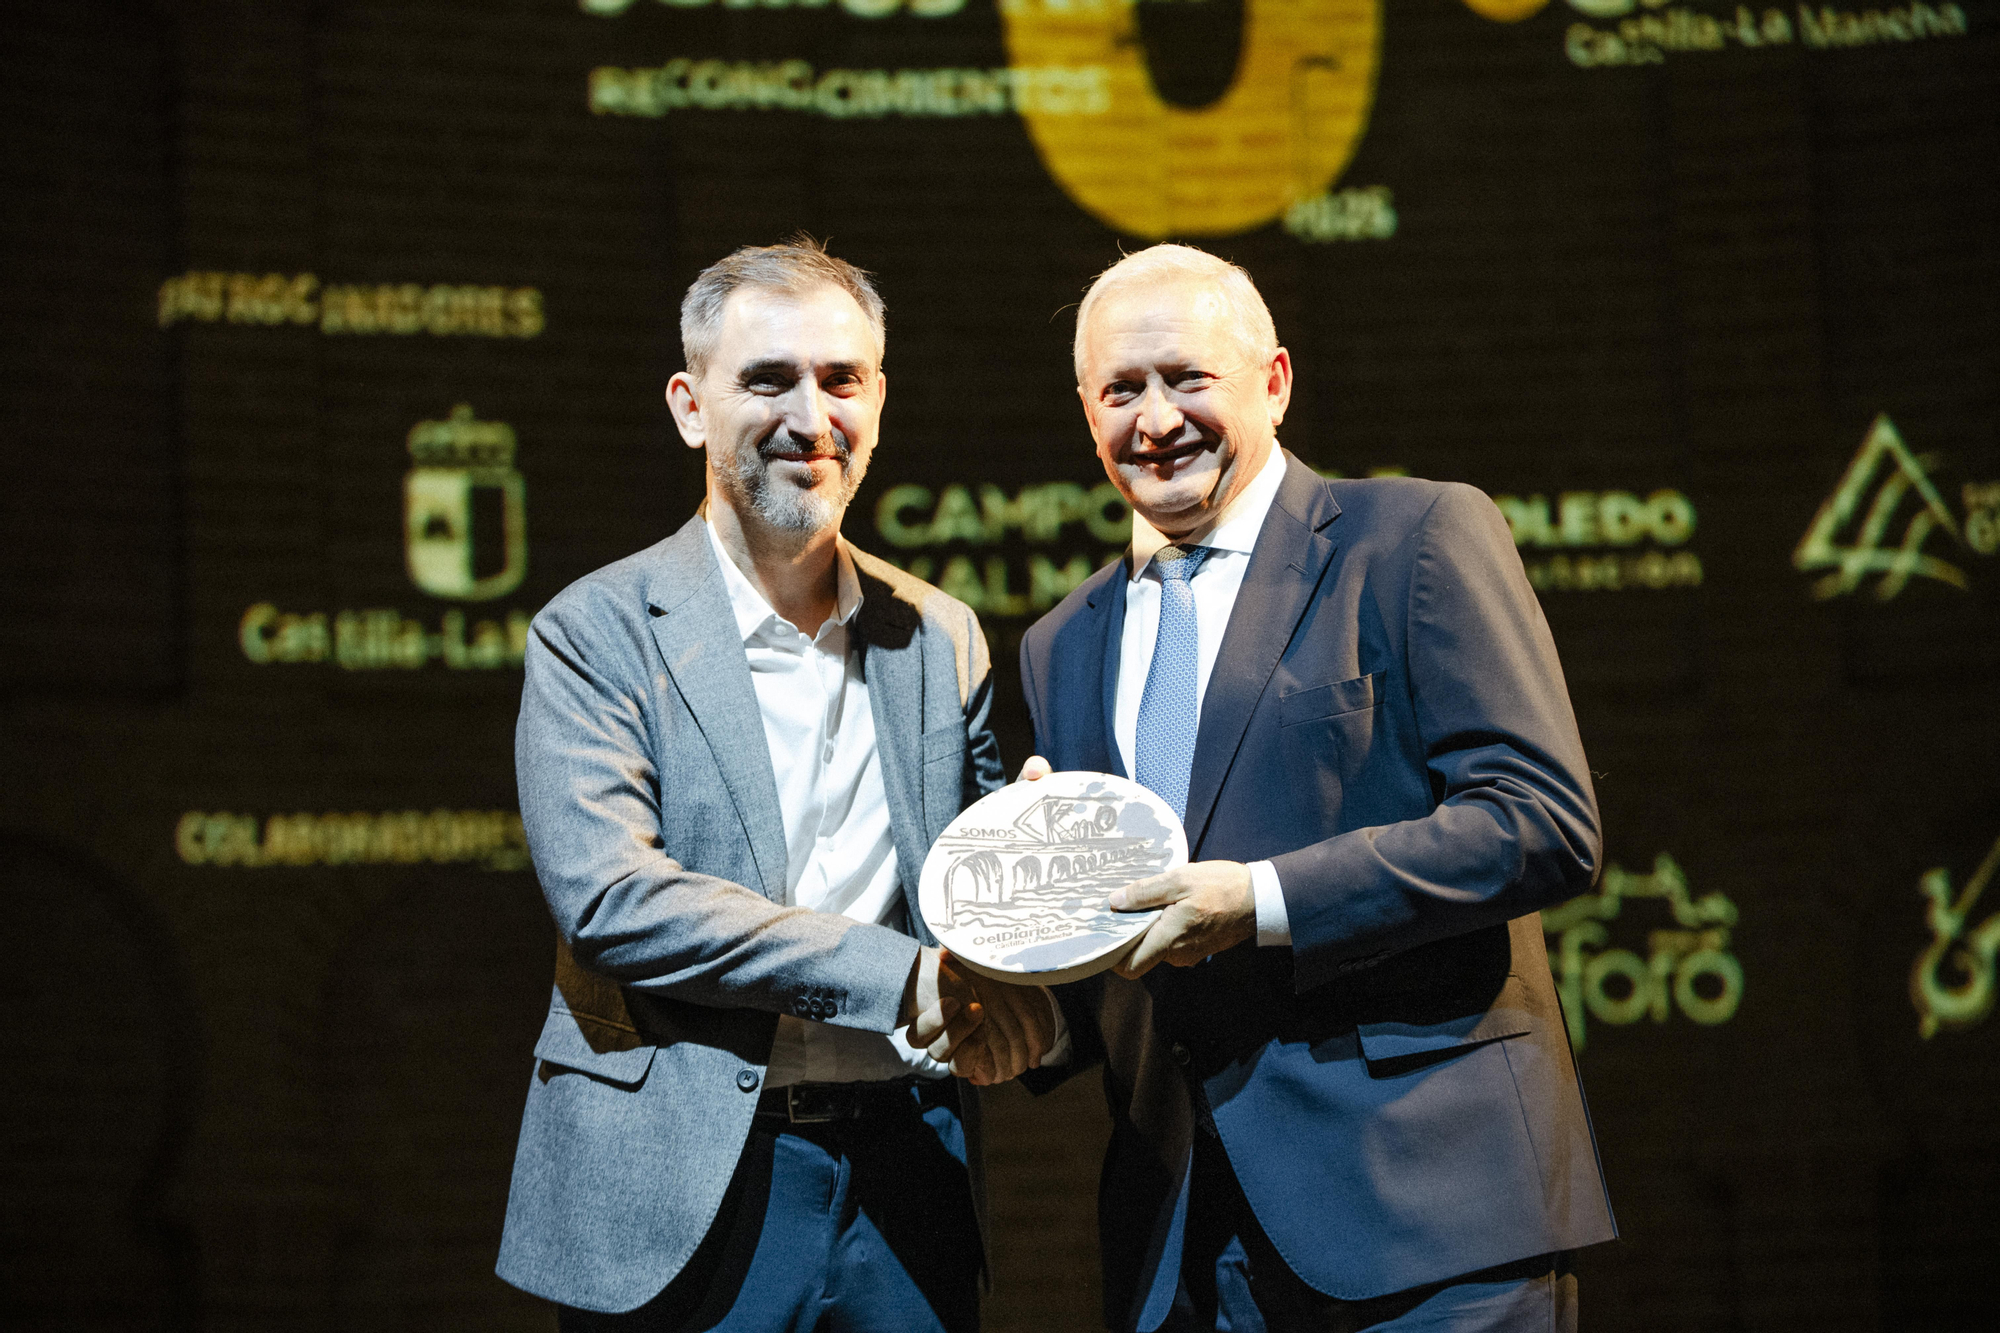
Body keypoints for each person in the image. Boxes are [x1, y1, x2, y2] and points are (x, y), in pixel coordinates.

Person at [1017, 245, 1616, 1331]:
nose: (1155, 420)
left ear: (1275, 381)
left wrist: (1262, 899)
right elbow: (1114, 946)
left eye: (1187, 377)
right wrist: (1020, 981)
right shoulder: (1061, 643)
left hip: (1428, 1216)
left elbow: (1538, 820)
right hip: (1186, 1244)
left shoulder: (1412, 539)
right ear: (1084, 409)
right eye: (1120, 389)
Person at [496, 238, 1055, 1331]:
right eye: (767, 380)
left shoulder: (940, 634)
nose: (811, 415)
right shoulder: (595, 631)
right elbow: (613, 902)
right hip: (685, 1186)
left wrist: (1039, 881)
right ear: (689, 405)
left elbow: (977, 901)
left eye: (840, 379)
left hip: (907, 1171)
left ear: (878, 400)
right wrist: (898, 978)